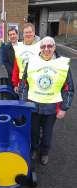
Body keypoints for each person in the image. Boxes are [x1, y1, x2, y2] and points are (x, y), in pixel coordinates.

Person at [26, 36, 74, 165]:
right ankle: (35, 149)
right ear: (40, 48)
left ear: (54, 47)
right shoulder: (31, 62)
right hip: (33, 106)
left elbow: (68, 88)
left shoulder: (63, 65)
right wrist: (23, 104)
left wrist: (64, 108)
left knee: (47, 135)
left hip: (51, 108)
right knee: (34, 132)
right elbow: (24, 84)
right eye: (43, 46)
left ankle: (44, 152)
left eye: (49, 46)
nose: (46, 49)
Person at [12, 23, 40, 93]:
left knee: (34, 103)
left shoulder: (41, 46)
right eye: (26, 32)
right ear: (23, 34)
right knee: (23, 103)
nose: (28, 34)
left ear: (34, 33)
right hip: (22, 82)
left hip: (36, 81)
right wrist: (15, 84)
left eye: (30, 32)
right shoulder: (18, 47)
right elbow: (16, 67)